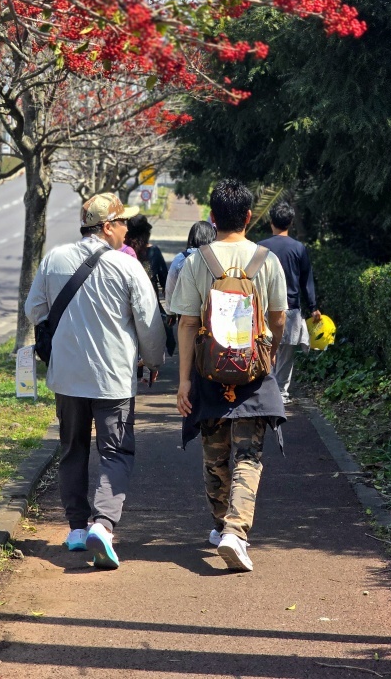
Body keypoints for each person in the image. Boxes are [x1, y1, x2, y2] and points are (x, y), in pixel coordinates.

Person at [25, 192, 165, 570]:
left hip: (67, 378)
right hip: (113, 379)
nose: (126, 229)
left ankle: (74, 528)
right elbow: (150, 325)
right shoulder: (127, 267)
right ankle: (102, 524)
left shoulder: (54, 259)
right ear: (107, 227)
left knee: (72, 448)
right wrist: (153, 361)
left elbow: (33, 309)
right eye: (122, 223)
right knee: (116, 451)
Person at [171, 178, 287, 573]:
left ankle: (222, 526)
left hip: (209, 372)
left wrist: (184, 380)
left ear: (212, 216)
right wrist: (268, 352)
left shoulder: (196, 261)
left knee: (215, 456)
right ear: (250, 217)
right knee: (249, 455)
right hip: (252, 373)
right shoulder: (265, 259)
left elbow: (186, 323)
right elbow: (278, 316)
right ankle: (236, 531)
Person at [259, 201, 321, 405]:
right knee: (285, 354)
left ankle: (263, 389)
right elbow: (306, 280)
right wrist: (313, 307)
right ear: (291, 222)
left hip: (264, 309)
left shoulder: (261, 248)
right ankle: (281, 393)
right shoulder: (298, 248)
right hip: (291, 309)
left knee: (264, 349)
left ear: (271, 222)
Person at [126, 213, 174, 355]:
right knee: (165, 327)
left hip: (125, 305)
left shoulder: (122, 252)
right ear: (147, 233)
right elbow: (166, 282)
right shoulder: (153, 252)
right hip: (150, 305)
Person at [164, 220, 216, 314]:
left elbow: (170, 286)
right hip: (211, 311)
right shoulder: (216, 258)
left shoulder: (181, 258)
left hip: (186, 312)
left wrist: (170, 312)